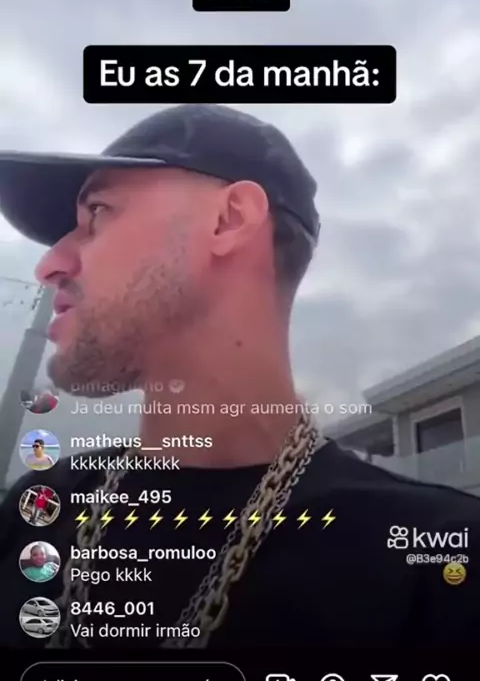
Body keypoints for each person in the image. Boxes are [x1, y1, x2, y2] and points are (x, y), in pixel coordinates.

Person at [0, 103, 478, 649]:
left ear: (228, 220)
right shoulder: (39, 507)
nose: (49, 265)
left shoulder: (439, 561)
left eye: (98, 214)